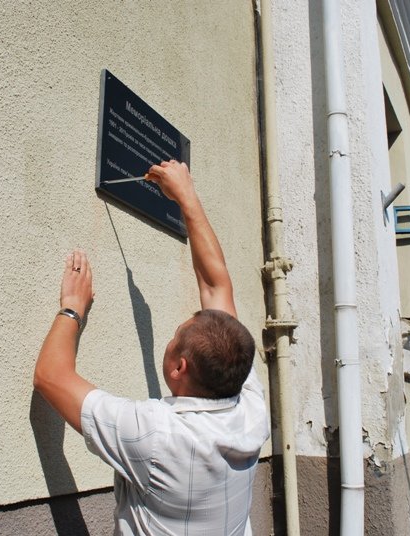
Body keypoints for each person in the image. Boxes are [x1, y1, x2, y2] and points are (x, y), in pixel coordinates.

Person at [33, 160, 269, 535]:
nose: (171, 338)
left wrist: (72, 308)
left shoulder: (156, 435)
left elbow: (50, 376)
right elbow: (216, 286)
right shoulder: (250, 407)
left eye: (175, 336)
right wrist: (187, 196)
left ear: (179, 368)